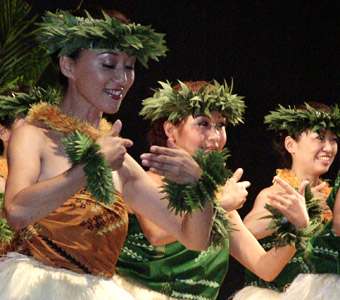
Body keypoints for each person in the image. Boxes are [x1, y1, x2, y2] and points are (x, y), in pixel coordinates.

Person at [0, 8, 215, 300]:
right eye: (110, 64)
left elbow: (194, 238)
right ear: (68, 66)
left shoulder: (120, 162)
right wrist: (90, 167)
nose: (123, 79)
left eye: (129, 66)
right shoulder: (34, 136)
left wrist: (198, 185)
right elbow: (17, 211)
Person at [113, 80, 313, 300]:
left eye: (220, 125)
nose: (215, 137)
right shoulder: (147, 183)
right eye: (203, 124)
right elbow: (158, 234)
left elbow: (265, 267)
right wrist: (219, 204)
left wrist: (298, 227)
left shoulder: (213, 195)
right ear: (171, 129)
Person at [232, 102, 339, 299]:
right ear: (291, 145)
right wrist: (302, 207)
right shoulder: (276, 193)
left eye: (333, 140)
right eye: (319, 138)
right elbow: (247, 231)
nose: (329, 148)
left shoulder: (331, 197)